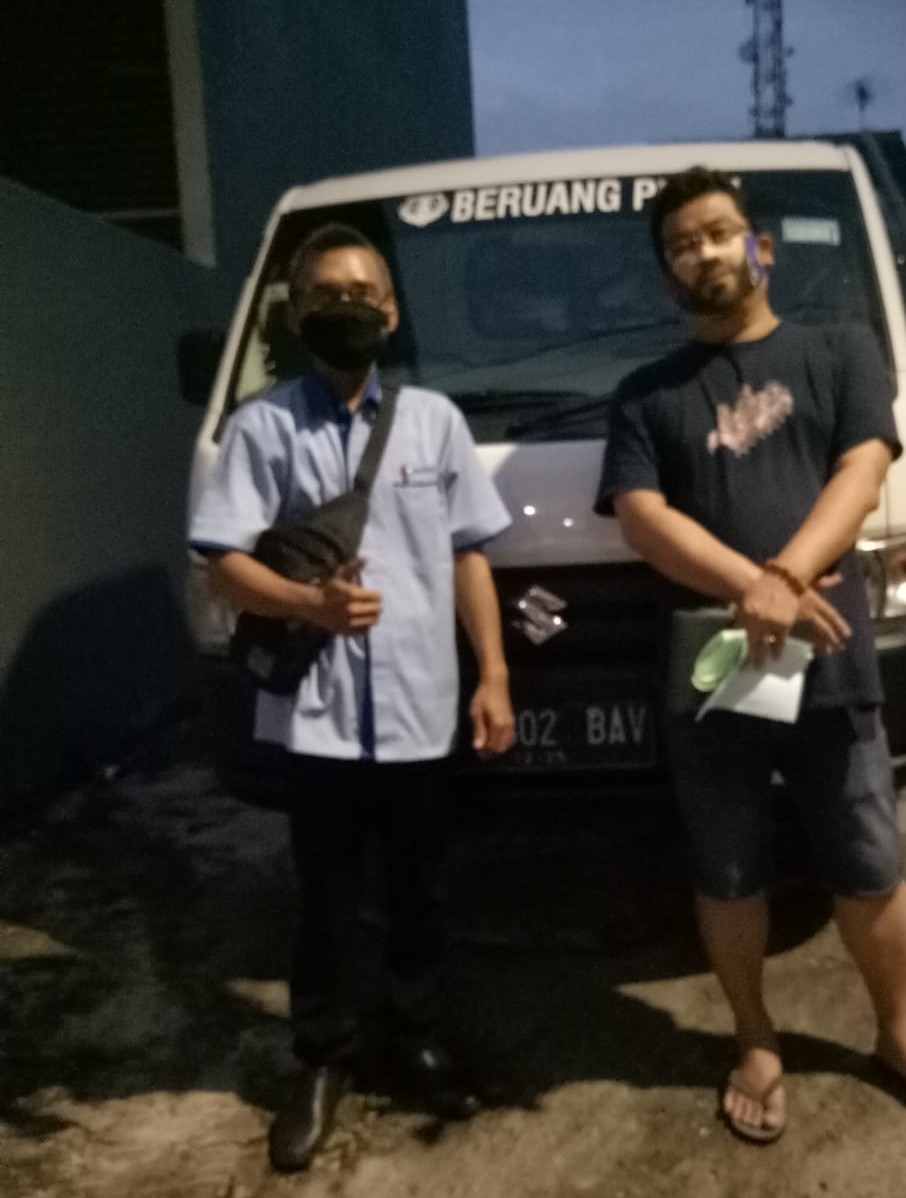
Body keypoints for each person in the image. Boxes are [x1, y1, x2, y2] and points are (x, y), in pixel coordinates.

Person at [594, 168, 906, 1145]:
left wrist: (786, 576)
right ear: (666, 275)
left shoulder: (839, 349)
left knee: (868, 861)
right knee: (728, 868)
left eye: (717, 232)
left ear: (759, 247)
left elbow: (864, 469)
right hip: (714, 665)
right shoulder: (644, 395)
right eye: (681, 245)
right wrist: (756, 588)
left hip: (830, 651)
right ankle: (756, 1037)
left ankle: (902, 1034)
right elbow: (641, 518)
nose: (702, 252)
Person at [189, 223, 515, 1171]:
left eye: (363, 293)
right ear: (297, 315)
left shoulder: (435, 422)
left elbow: (466, 556)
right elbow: (222, 564)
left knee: (421, 892)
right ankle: (322, 1058)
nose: (347, 308)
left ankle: (415, 1038)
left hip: (422, 706)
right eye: (325, 295)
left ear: (391, 312)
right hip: (317, 718)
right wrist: (309, 606)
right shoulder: (262, 428)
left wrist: (494, 676)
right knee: (325, 899)